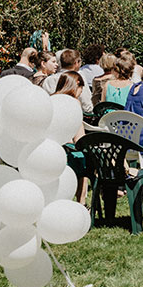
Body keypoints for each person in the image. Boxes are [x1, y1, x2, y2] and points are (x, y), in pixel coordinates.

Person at [51, 71, 89, 204]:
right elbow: (79, 137)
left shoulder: (50, 99)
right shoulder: (74, 102)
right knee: (85, 161)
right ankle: (81, 201)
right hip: (67, 151)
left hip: (50, 149)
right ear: (77, 85)